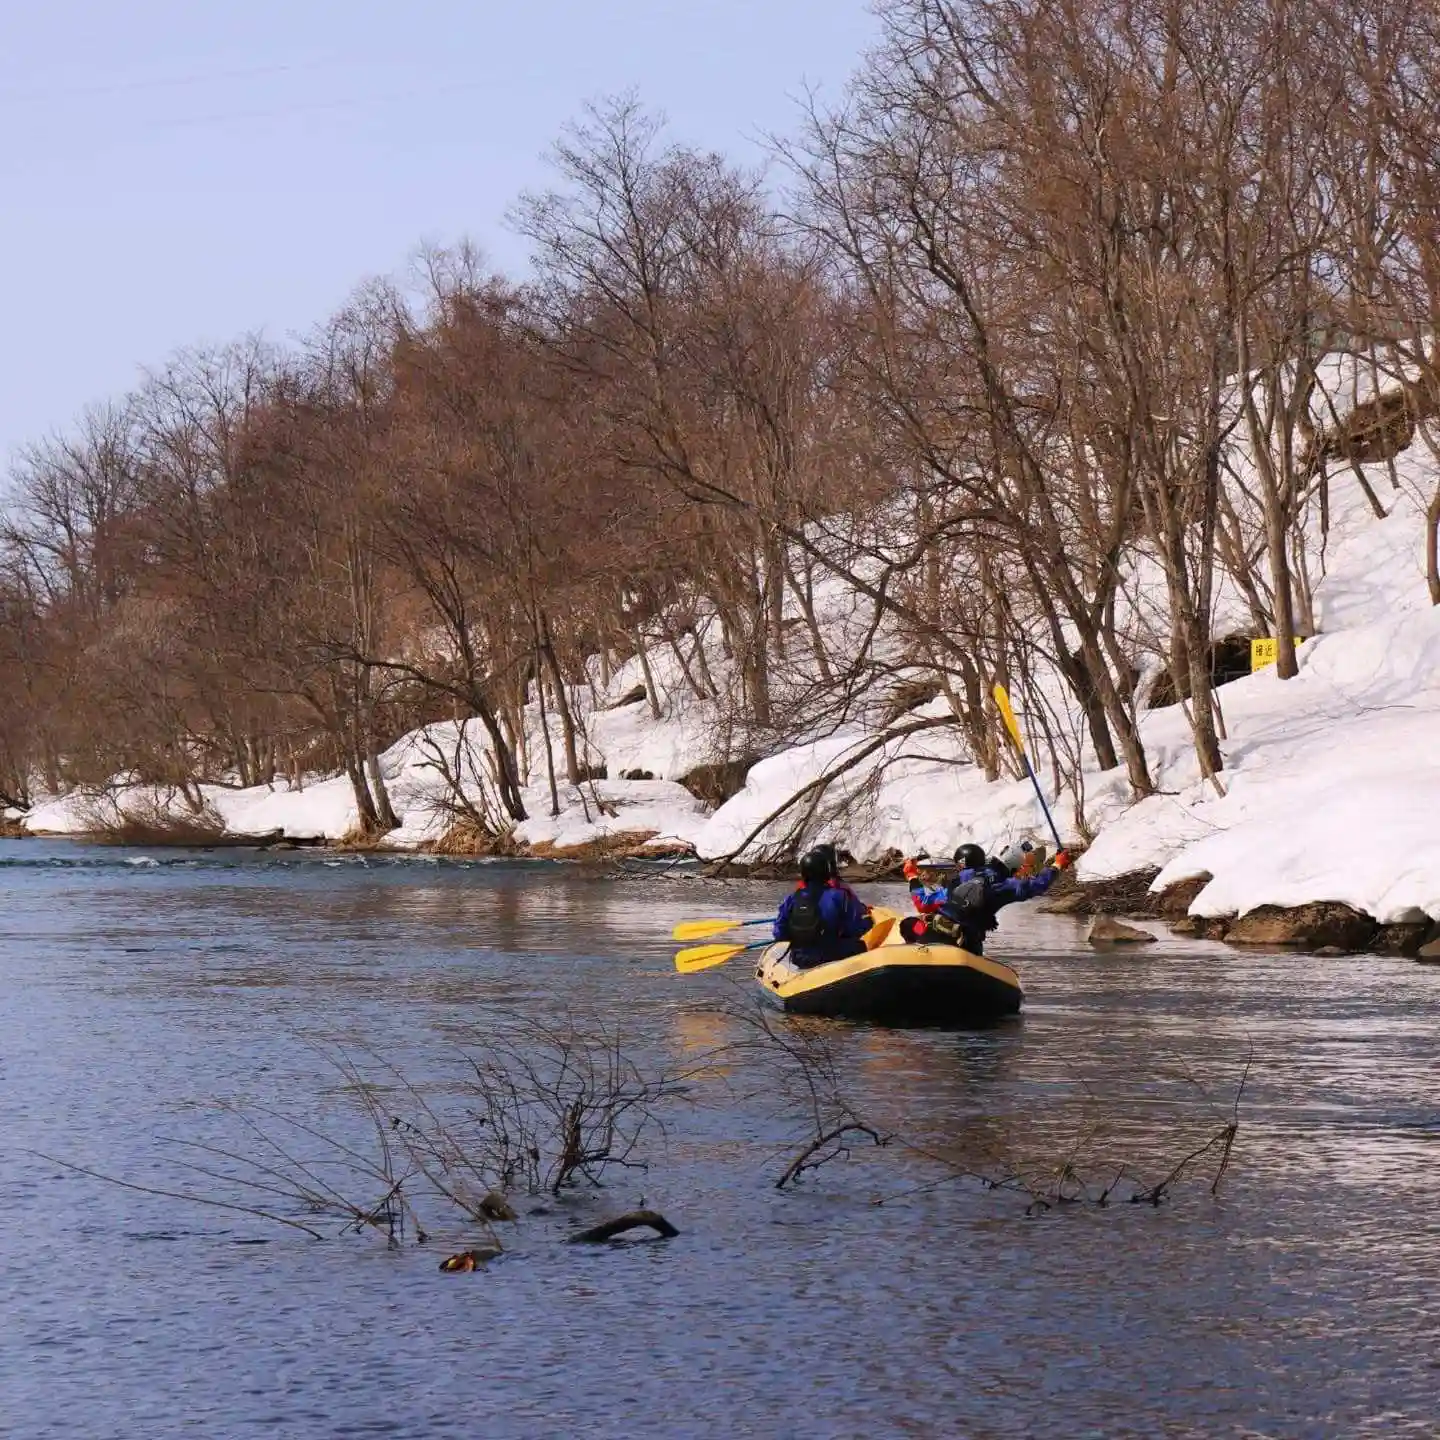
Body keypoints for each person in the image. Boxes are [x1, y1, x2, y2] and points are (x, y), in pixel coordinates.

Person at [899, 840, 1071, 954]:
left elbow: (923, 903)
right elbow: (1037, 884)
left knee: (907, 924)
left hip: (933, 932)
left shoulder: (961, 877)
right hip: (965, 944)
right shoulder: (1005, 885)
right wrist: (1057, 865)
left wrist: (912, 876)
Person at [772, 846, 874, 969]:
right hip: (829, 954)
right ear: (826, 871)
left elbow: (779, 933)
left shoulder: (791, 898)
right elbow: (853, 930)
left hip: (800, 958)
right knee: (860, 945)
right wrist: (869, 923)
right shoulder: (839, 896)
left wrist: (799, 936)